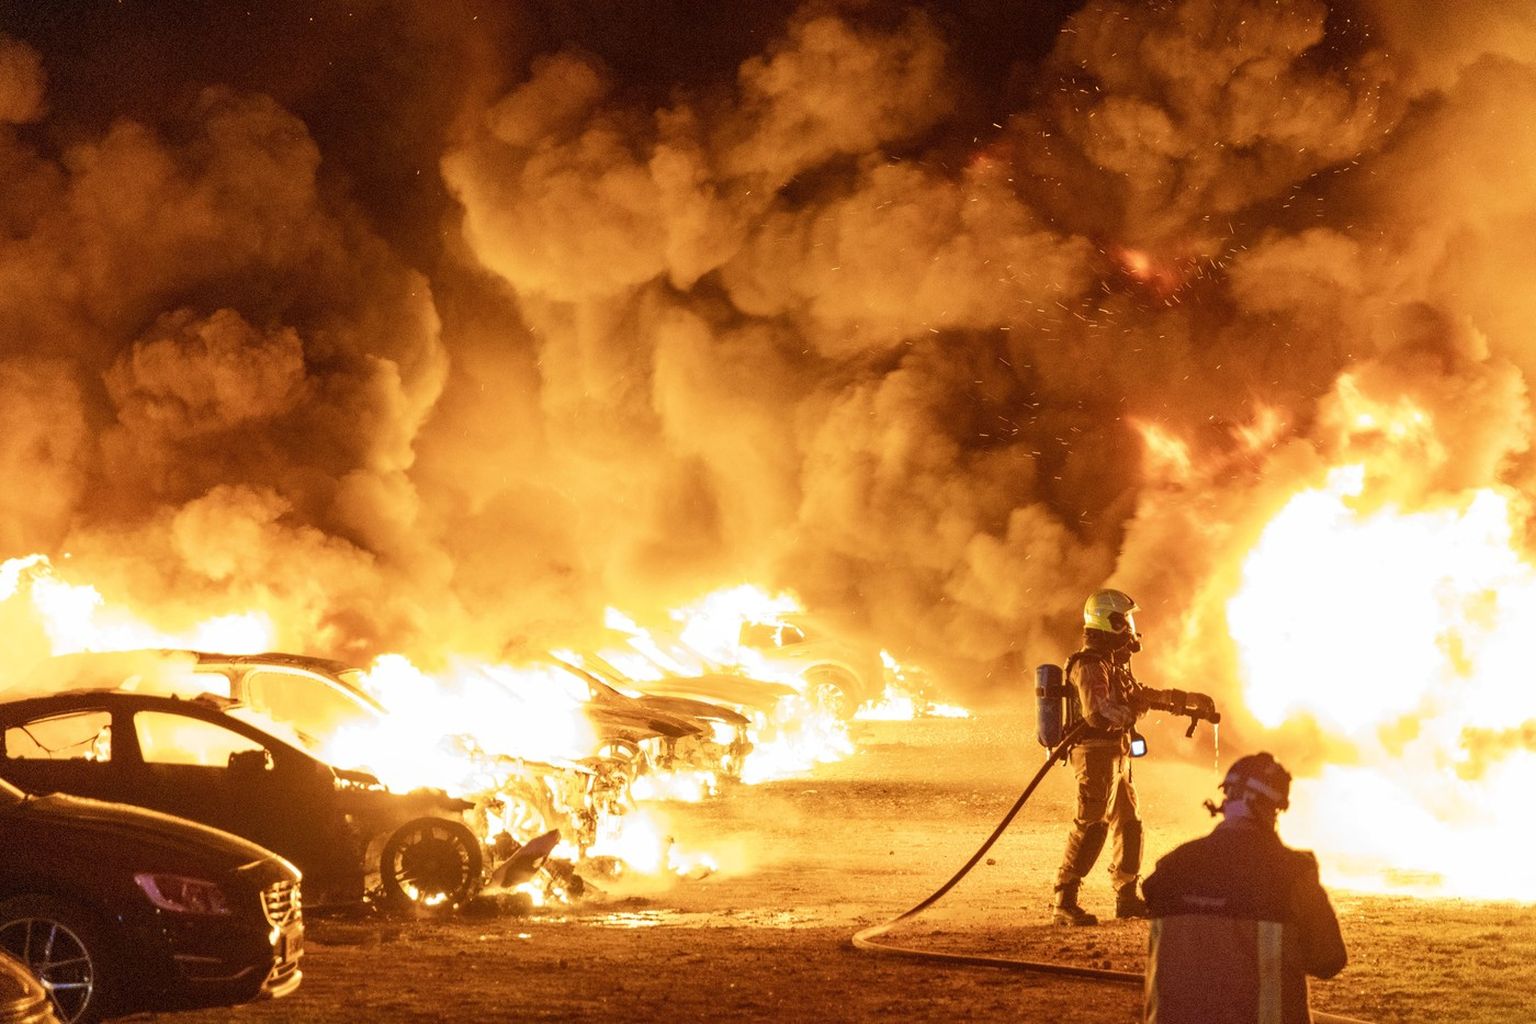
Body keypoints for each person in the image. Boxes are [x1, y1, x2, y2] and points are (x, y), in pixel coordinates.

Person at [1142, 752, 1347, 1024]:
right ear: (1267, 808)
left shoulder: (1171, 866)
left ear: (1227, 801)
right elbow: (1329, 960)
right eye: (1275, 811)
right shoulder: (1291, 873)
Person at [1053, 588, 1149, 926]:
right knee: (1092, 825)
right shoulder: (1090, 664)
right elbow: (1098, 713)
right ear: (1110, 621)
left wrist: (1176, 701)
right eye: (1125, 621)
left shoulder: (1110, 663)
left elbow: (1132, 697)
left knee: (1129, 823)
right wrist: (1133, 712)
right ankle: (1064, 901)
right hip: (1094, 755)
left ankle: (1126, 895)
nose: (1130, 629)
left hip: (1116, 753)